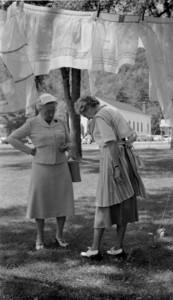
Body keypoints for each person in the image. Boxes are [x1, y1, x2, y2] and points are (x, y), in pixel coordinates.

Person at [75, 96, 146, 259]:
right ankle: (118, 247)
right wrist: (125, 148)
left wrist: (115, 167)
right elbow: (131, 136)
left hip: (112, 159)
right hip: (125, 159)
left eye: (84, 113)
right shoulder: (112, 110)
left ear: (87, 107)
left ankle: (94, 249)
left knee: (103, 201)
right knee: (124, 201)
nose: (85, 117)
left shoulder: (100, 116)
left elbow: (111, 143)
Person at [8, 93, 74, 250]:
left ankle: (59, 235)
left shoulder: (61, 122)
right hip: (41, 168)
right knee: (40, 202)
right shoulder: (32, 123)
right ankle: (40, 237)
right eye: (48, 111)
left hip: (61, 167)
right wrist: (30, 151)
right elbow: (12, 138)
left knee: (62, 201)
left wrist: (67, 147)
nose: (51, 114)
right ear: (40, 109)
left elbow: (70, 142)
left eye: (53, 110)